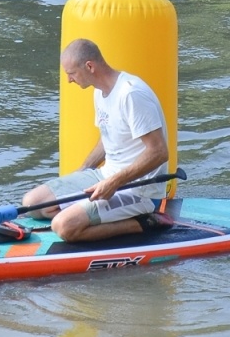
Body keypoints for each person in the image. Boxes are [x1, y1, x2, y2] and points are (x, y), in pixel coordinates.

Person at [22, 39, 172, 243]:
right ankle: (93, 213)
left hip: (140, 189)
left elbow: (159, 152)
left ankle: (144, 222)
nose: (69, 80)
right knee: (33, 204)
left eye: (71, 73)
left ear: (89, 66)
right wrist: (83, 171)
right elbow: (108, 136)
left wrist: (113, 182)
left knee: (64, 226)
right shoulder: (99, 93)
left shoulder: (131, 94)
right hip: (106, 175)